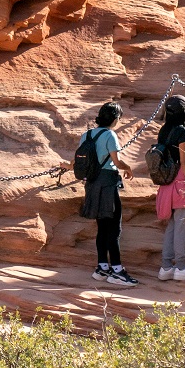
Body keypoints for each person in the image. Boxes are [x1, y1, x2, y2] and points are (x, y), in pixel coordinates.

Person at [76, 101, 137, 284]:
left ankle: (102, 268)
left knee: (102, 228)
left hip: (92, 184)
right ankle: (117, 271)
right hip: (108, 184)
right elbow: (117, 162)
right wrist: (128, 168)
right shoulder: (110, 134)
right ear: (116, 118)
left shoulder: (86, 135)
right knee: (114, 229)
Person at [154, 95, 185, 282]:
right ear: (183, 111)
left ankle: (166, 267)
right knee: (184, 227)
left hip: (167, 183)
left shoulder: (164, 130)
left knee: (173, 226)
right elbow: (184, 160)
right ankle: (181, 267)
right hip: (181, 183)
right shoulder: (182, 130)